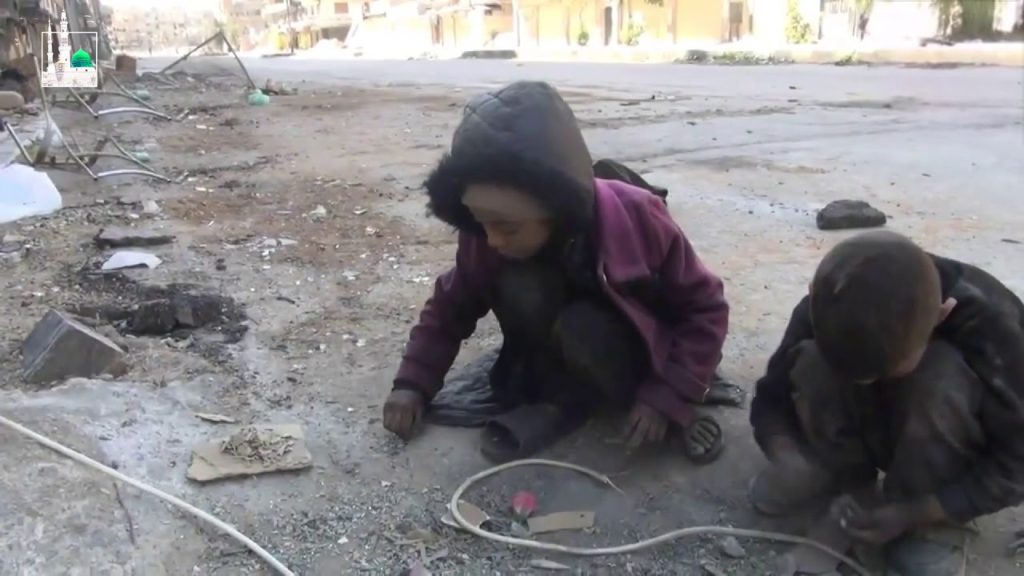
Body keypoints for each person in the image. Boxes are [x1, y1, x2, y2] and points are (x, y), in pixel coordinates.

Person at [381, 80, 731, 463]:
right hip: (546, 350)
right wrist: (412, 383)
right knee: (522, 285)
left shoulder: (639, 217)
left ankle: (667, 407)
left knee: (583, 328)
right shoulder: (485, 234)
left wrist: (671, 394)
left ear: (557, 210)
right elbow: (450, 307)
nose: (492, 239)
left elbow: (705, 309)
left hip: (636, 350)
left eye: (507, 226)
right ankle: (561, 394)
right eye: (481, 222)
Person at [749, 230, 1024, 576]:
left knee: (939, 378)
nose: (866, 385)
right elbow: (772, 395)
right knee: (812, 363)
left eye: (887, 371)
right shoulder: (830, 304)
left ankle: (928, 519)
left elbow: (1016, 464)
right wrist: (788, 453)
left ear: (942, 315)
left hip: (941, 435)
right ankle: (846, 479)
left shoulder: (996, 329)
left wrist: (919, 511)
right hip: (881, 428)